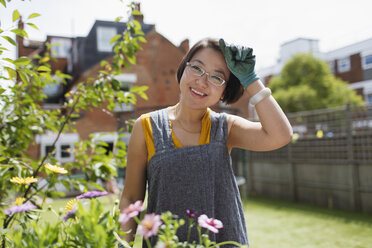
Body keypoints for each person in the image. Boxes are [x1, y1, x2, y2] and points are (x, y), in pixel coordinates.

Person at [119, 38, 293, 247]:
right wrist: (122, 244)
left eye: (216, 77)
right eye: (197, 68)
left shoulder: (225, 128)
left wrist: (251, 79)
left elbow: (280, 135)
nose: (202, 82)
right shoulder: (146, 126)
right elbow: (130, 198)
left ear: (224, 92)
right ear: (184, 68)